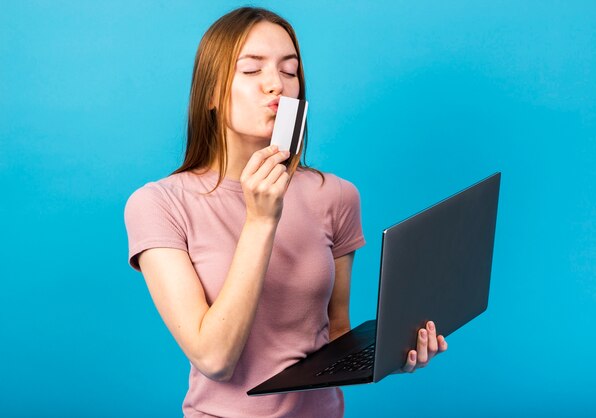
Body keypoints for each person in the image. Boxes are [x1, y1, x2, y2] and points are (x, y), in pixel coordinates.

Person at [124, 6, 447, 418]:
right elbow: (214, 358)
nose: (275, 85)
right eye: (251, 70)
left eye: (289, 71)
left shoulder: (336, 195)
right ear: (209, 93)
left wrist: (392, 355)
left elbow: (337, 335)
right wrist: (260, 221)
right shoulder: (159, 204)